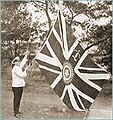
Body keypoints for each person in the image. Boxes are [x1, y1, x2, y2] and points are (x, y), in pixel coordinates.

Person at [11, 51, 30, 118]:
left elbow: (23, 62)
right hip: (16, 87)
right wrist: (26, 71)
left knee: (19, 99)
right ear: (14, 62)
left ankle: (17, 110)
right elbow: (21, 75)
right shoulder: (15, 68)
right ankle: (15, 112)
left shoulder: (18, 67)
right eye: (17, 61)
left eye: (19, 61)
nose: (19, 62)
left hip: (20, 86)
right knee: (16, 99)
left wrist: (26, 55)